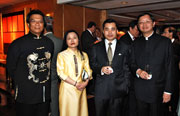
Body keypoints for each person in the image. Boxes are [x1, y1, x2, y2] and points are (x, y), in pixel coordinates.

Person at [6, 9, 54, 116]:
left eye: (40, 21)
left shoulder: (49, 43)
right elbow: (11, 68)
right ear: (28, 24)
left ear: (44, 24)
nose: (37, 24)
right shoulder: (17, 44)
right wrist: (22, 82)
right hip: (25, 96)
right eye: (34, 21)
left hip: (44, 95)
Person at [130, 12, 173, 116]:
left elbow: (170, 67)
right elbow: (131, 63)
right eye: (141, 23)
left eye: (147, 22)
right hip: (140, 90)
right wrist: (138, 71)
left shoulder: (165, 42)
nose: (144, 25)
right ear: (138, 26)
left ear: (153, 23)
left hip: (158, 90)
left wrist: (168, 91)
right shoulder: (135, 43)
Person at [89, 18, 131, 116]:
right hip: (101, 90)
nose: (110, 32)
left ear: (117, 31)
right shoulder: (95, 47)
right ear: (103, 31)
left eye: (113, 29)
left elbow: (127, 68)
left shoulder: (125, 47)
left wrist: (126, 86)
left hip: (119, 90)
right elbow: (92, 64)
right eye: (107, 29)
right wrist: (101, 69)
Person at [57, 30, 92, 116]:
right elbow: (61, 73)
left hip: (81, 88)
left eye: (74, 38)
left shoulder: (84, 55)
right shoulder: (61, 55)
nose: (72, 40)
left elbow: (88, 70)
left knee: (81, 112)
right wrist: (76, 84)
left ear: (78, 40)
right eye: (69, 38)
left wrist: (85, 83)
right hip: (67, 89)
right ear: (66, 41)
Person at [44, 16, 63, 116]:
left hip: (41, 76)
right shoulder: (60, 41)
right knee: (54, 100)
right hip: (54, 74)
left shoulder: (41, 40)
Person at [120, 20, 139, 116]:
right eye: (136, 29)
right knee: (125, 102)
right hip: (126, 74)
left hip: (132, 74)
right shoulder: (124, 40)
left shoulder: (135, 39)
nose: (138, 31)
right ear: (130, 28)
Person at [162, 26, 180, 116]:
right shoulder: (163, 44)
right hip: (164, 74)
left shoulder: (177, 45)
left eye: (165, 32)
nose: (163, 34)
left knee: (174, 95)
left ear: (171, 33)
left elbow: (177, 58)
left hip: (174, 75)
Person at [81, 21, 97, 96]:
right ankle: (89, 90)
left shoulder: (89, 34)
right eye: (95, 28)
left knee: (91, 73)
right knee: (89, 73)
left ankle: (91, 90)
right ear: (93, 27)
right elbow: (86, 45)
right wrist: (95, 42)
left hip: (90, 57)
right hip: (88, 57)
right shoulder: (85, 34)